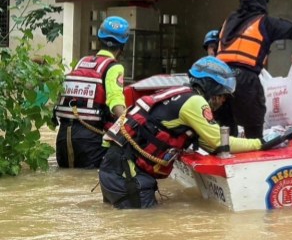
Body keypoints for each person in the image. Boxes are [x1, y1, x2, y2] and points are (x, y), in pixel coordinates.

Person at [99, 57, 264, 209]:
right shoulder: (195, 102)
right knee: (146, 229)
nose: (223, 101)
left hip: (113, 170)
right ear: (210, 87)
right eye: (222, 95)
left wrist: (243, 144)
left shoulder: (181, 95)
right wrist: (260, 144)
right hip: (127, 175)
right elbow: (219, 142)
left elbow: (212, 145)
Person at [216, 0, 292, 139]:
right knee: (254, 127)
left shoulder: (229, 20)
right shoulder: (266, 23)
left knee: (225, 129)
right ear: (262, 2)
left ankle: (227, 155)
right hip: (245, 78)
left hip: (220, 77)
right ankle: (253, 156)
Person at [53, 16, 129, 169]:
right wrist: (132, 126)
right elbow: (115, 102)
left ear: (99, 39)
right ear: (123, 46)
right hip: (90, 140)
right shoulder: (114, 67)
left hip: (63, 136)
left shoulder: (82, 62)